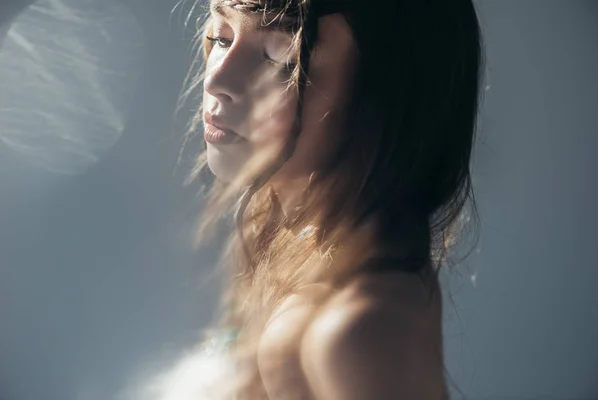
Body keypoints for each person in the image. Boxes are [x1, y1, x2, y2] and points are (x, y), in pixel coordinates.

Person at [160, 0, 483, 398]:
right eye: (221, 36)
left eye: (280, 56)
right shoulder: (268, 218)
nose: (216, 80)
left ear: (387, 91)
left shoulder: (356, 333)